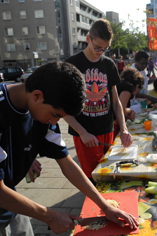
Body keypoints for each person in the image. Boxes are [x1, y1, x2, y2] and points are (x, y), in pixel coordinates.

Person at [0, 62, 138, 235]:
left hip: (11, 203)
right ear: (37, 95)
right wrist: (49, 216)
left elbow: (68, 165)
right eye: (55, 115)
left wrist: (105, 206)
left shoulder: (41, 113)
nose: (54, 122)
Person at [64, 19, 133, 184]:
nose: (101, 51)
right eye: (97, 47)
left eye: (105, 48)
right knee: (94, 178)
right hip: (85, 133)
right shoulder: (71, 64)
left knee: (109, 173)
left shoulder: (109, 65)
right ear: (88, 39)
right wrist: (82, 132)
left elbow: (115, 102)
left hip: (107, 129)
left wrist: (123, 129)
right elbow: (62, 107)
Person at [114, 67, 144, 137]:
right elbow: (120, 110)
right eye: (138, 91)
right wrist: (130, 111)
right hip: (112, 125)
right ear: (137, 86)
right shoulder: (128, 87)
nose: (136, 94)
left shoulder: (120, 84)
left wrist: (127, 116)